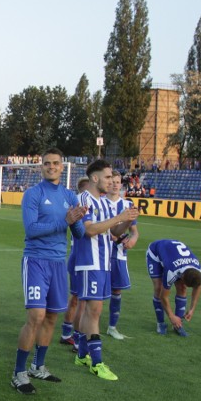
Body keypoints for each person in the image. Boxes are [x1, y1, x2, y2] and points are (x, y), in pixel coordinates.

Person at [11, 149, 87, 394]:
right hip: (35, 260)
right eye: (47, 164)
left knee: (52, 317)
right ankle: (19, 373)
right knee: (36, 316)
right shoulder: (33, 194)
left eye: (55, 163)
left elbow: (80, 233)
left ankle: (38, 366)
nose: (51, 167)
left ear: (62, 167)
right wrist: (64, 221)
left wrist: (76, 221)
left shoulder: (70, 196)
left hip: (57, 262)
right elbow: (31, 229)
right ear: (41, 167)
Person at [74, 160, 138, 381]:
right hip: (89, 262)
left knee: (92, 310)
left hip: (104, 263)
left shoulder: (105, 204)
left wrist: (127, 221)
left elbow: (112, 232)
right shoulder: (83, 199)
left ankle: (82, 355)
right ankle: (97, 362)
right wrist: (119, 218)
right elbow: (89, 230)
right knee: (94, 311)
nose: (112, 181)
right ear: (95, 178)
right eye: (108, 177)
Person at [106, 175, 139, 340]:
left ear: (121, 185)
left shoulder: (127, 205)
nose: (114, 185)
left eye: (117, 182)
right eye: (111, 182)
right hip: (100, 253)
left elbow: (134, 231)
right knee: (95, 293)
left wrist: (133, 240)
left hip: (118, 254)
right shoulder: (101, 201)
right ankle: (84, 327)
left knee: (116, 290)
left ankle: (112, 327)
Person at [146, 239, 201, 335]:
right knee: (158, 288)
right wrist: (171, 316)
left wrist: (192, 309)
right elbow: (163, 296)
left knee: (182, 288)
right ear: (182, 276)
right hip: (155, 253)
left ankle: (178, 325)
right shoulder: (171, 271)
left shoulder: (198, 269)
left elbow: (197, 287)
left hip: (174, 257)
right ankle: (160, 323)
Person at [60, 176, 89, 348]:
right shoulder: (79, 205)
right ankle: (72, 336)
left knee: (80, 299)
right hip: (79, 257)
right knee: (78, 299)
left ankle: (70, 333)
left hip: (83, 257)